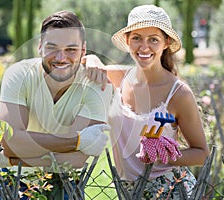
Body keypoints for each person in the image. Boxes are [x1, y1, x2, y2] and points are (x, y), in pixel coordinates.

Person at [0, 10, 113, 199]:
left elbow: (75, 160)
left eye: (71, 49)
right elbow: (10, 142)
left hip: (66, 183)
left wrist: (9, 160)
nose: (60, 57)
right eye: (52, 47)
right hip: (18, 182)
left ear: (84, 50)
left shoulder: (98, 86)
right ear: (40, 47)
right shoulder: (18, 75)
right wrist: (78, 141)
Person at [86, 4, 209, 199]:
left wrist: (164, 154)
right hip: (127, 191)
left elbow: (202, 153)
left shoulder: (178, 94)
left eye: (153, 39)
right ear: (127, 41)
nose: (144, 47)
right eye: (136, 38)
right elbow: (77, 62)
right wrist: (91, 58)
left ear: (166, 42)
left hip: (171, 191)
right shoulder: (119, 78)